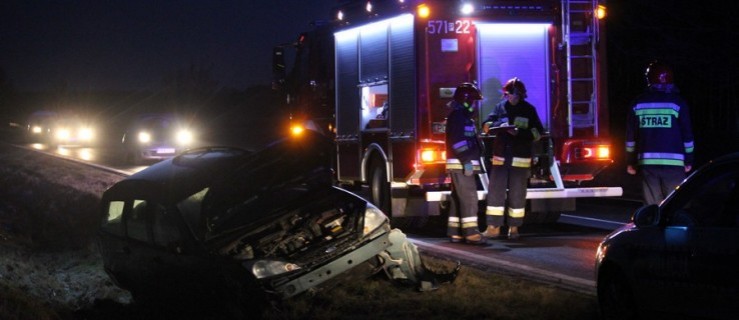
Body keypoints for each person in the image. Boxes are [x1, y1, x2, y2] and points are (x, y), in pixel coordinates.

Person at [482, 78, 544, 240]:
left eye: (510, 94)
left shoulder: (529, 110)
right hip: (500, 157)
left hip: (519, 158)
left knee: (517, 195)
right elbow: (487, 123)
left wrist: (520, 134)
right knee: (495, 193)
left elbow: (538, 133)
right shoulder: (500, 107)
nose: (507, 97)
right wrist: (493, 126)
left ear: (519, 95)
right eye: (506, 94)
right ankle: (493, 228)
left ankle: (514, 228)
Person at [626, 60, 694, 205]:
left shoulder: (638, 103)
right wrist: (688, 160)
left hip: (647, 163)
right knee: (674, 205)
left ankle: (653, 227)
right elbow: (687, 136)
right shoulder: (678, 103)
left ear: (648, 79)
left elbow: (631, 138)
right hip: (675, 165)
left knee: (652, 207)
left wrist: (630, 161)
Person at [445, 82, 486, 245]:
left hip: (461, 163)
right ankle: (470, 233)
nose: (475, 105)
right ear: (467, 101)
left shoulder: (462, 117)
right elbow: (458, 143)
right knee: (469, 198)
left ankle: (455, 232)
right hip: (461, 164)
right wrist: (466, 161)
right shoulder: (458, 117)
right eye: (474, 101)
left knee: (458, 198)